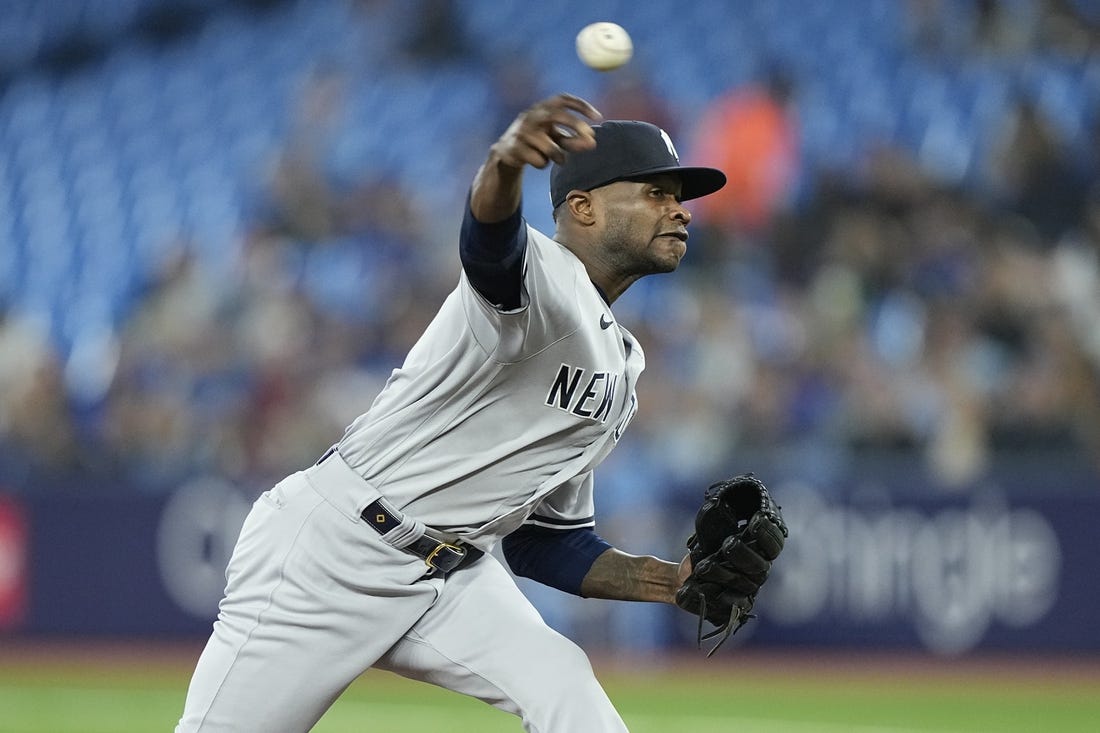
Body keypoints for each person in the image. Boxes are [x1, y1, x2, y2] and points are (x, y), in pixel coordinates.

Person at [175, 93, 727, 733]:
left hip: (452, 576)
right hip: (331, 553)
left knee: (565, 686)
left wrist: (670, 581)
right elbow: (490, 247)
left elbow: (545, 542)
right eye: (656, 193)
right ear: (584, 206)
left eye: (678, 197)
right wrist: (503, 166)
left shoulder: (621, 366)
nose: (680, 210)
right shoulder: (544, 278)